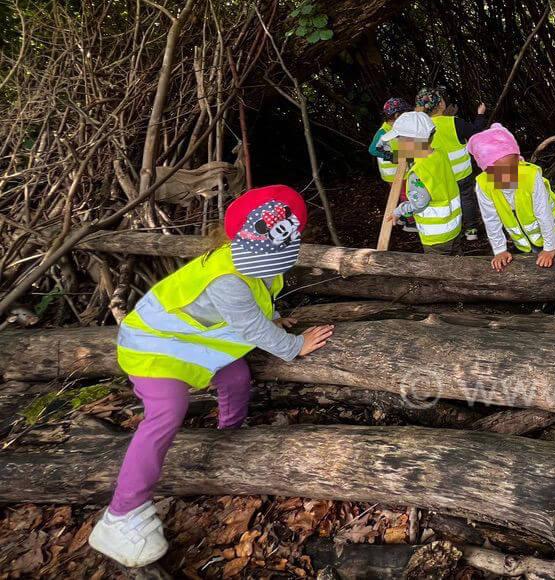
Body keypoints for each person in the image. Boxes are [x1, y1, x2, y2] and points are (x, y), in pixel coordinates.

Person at [89, 186, 334, 568]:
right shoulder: (226, 278)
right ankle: (122, 513)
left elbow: (259, 300)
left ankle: (229, 436)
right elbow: (251, 325)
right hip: (153, 348)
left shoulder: (254, 264)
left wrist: (273, 320)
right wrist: (293, 345)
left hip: (195, 344)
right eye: (263, 256)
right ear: (237, 241)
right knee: (168, 411)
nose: (269, 263)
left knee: (236, 378)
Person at [466, 122, 555, 272]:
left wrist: (550, 248)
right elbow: (491, 218)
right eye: (499, 172)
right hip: (529, 237)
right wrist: (499, 250)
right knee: (541, 264)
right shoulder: (483, 185)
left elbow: (543, 213)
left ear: (518, 160)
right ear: (486, 170)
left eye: (512, 169)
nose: (508, 176)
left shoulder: (531, 177)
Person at [381, 110, 463, 252]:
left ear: (410, 142)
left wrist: (399, 211)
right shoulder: (440, 154)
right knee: (457, 260)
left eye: (399, 140)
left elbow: (419, 203)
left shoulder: (417, 173)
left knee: (437, 270)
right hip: (454, 226)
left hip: (437, 235)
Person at [415, 87, 488, 242]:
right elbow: (476, 131)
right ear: (441, 104)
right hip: (461, 174)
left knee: (446, 202)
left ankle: (451, 231)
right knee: (466, 199)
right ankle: (471, 231)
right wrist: (480, 114)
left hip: (439, 177)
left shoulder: (419, 128)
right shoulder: (454, 122)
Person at [369, 97, 417, 233]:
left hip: (403, 169)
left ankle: (401, 216)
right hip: (392, 173)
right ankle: (410, 222)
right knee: (404, 195)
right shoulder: (383, 132)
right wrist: (390, 156)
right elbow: (372, 149)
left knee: (403, 193)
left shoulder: (398, 127)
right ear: (397, 116)